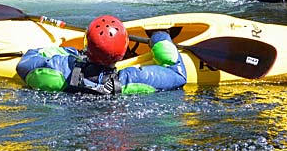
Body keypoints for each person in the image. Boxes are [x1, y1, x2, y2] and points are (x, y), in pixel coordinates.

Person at [16, 15, 187, 95]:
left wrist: (71, 53)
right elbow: (177, 74)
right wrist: (160, 36)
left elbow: (26, 62)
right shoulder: (132, 79)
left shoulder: (59, 72)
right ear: (123, 51)